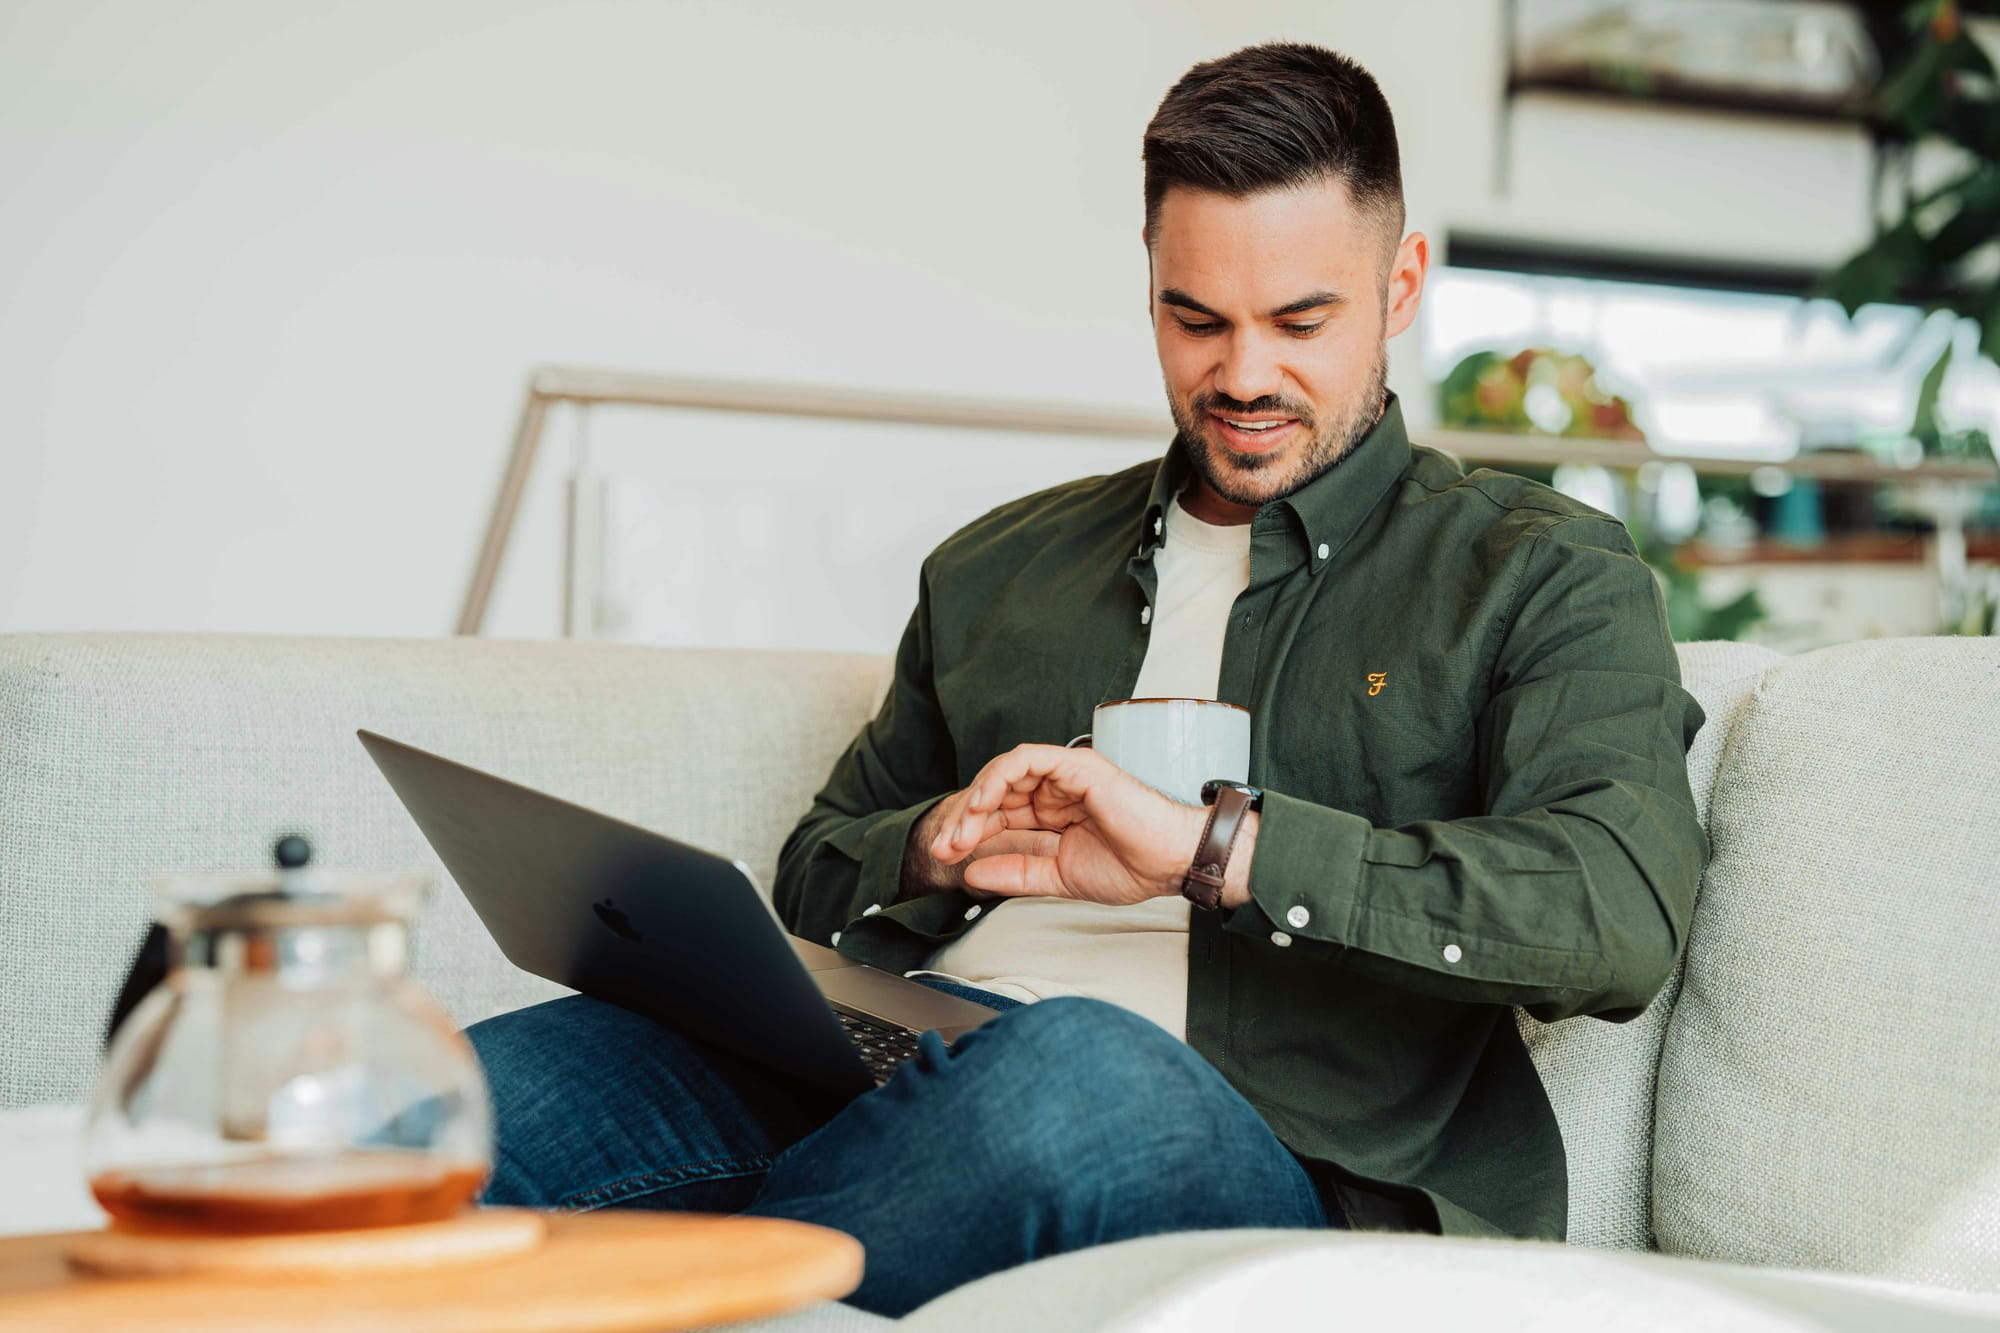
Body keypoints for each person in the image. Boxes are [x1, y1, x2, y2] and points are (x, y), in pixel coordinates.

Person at [467, 41, 1708, 1317]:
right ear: (1151, 281)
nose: (1240, 375)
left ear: (1400, 286)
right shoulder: (1001, 568)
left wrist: (1211, 848)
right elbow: (817, 867)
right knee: (464, 1109)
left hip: (1260, 1157)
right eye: (1194, 318)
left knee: (1075, 1073)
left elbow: (1611, 914)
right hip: (903, 1069)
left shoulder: (1535, 571)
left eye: (1299, 322)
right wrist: (934, 848)